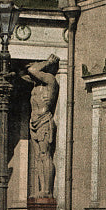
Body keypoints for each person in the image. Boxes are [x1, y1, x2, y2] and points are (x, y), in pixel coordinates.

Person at [25, 55, 60, 198]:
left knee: (46, 155)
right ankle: (41, 189)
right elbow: (26, 73)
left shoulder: (50, 81)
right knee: (38, 157)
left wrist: (46, 62)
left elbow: (32, 69)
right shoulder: (36, 86)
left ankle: (48, 190)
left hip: (44, 120)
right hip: (34, 121)